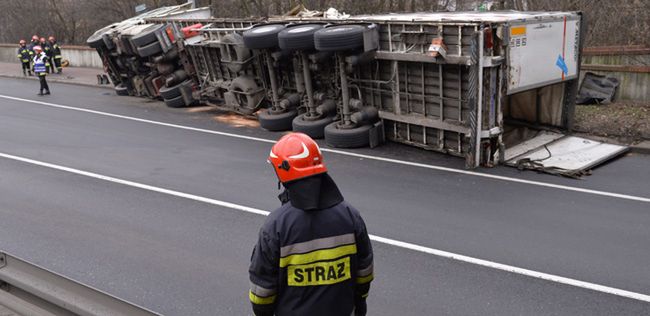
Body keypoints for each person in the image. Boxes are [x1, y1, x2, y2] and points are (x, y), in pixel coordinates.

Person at [249, 133, 374, 316]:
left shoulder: (276, 226)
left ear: (283, 171)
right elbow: (364, 273)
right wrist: (359, 303)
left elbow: (262, 292)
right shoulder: (350, 216)